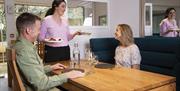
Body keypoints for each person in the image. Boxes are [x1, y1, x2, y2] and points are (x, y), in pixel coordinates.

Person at [14, 12, 84, 91]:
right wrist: (67, 75)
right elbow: (41, 84)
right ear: (28, 30)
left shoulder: (21, 46)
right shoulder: (25, 51)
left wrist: (51, 68)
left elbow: (32, 71)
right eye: (38, 29)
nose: (39, 32)